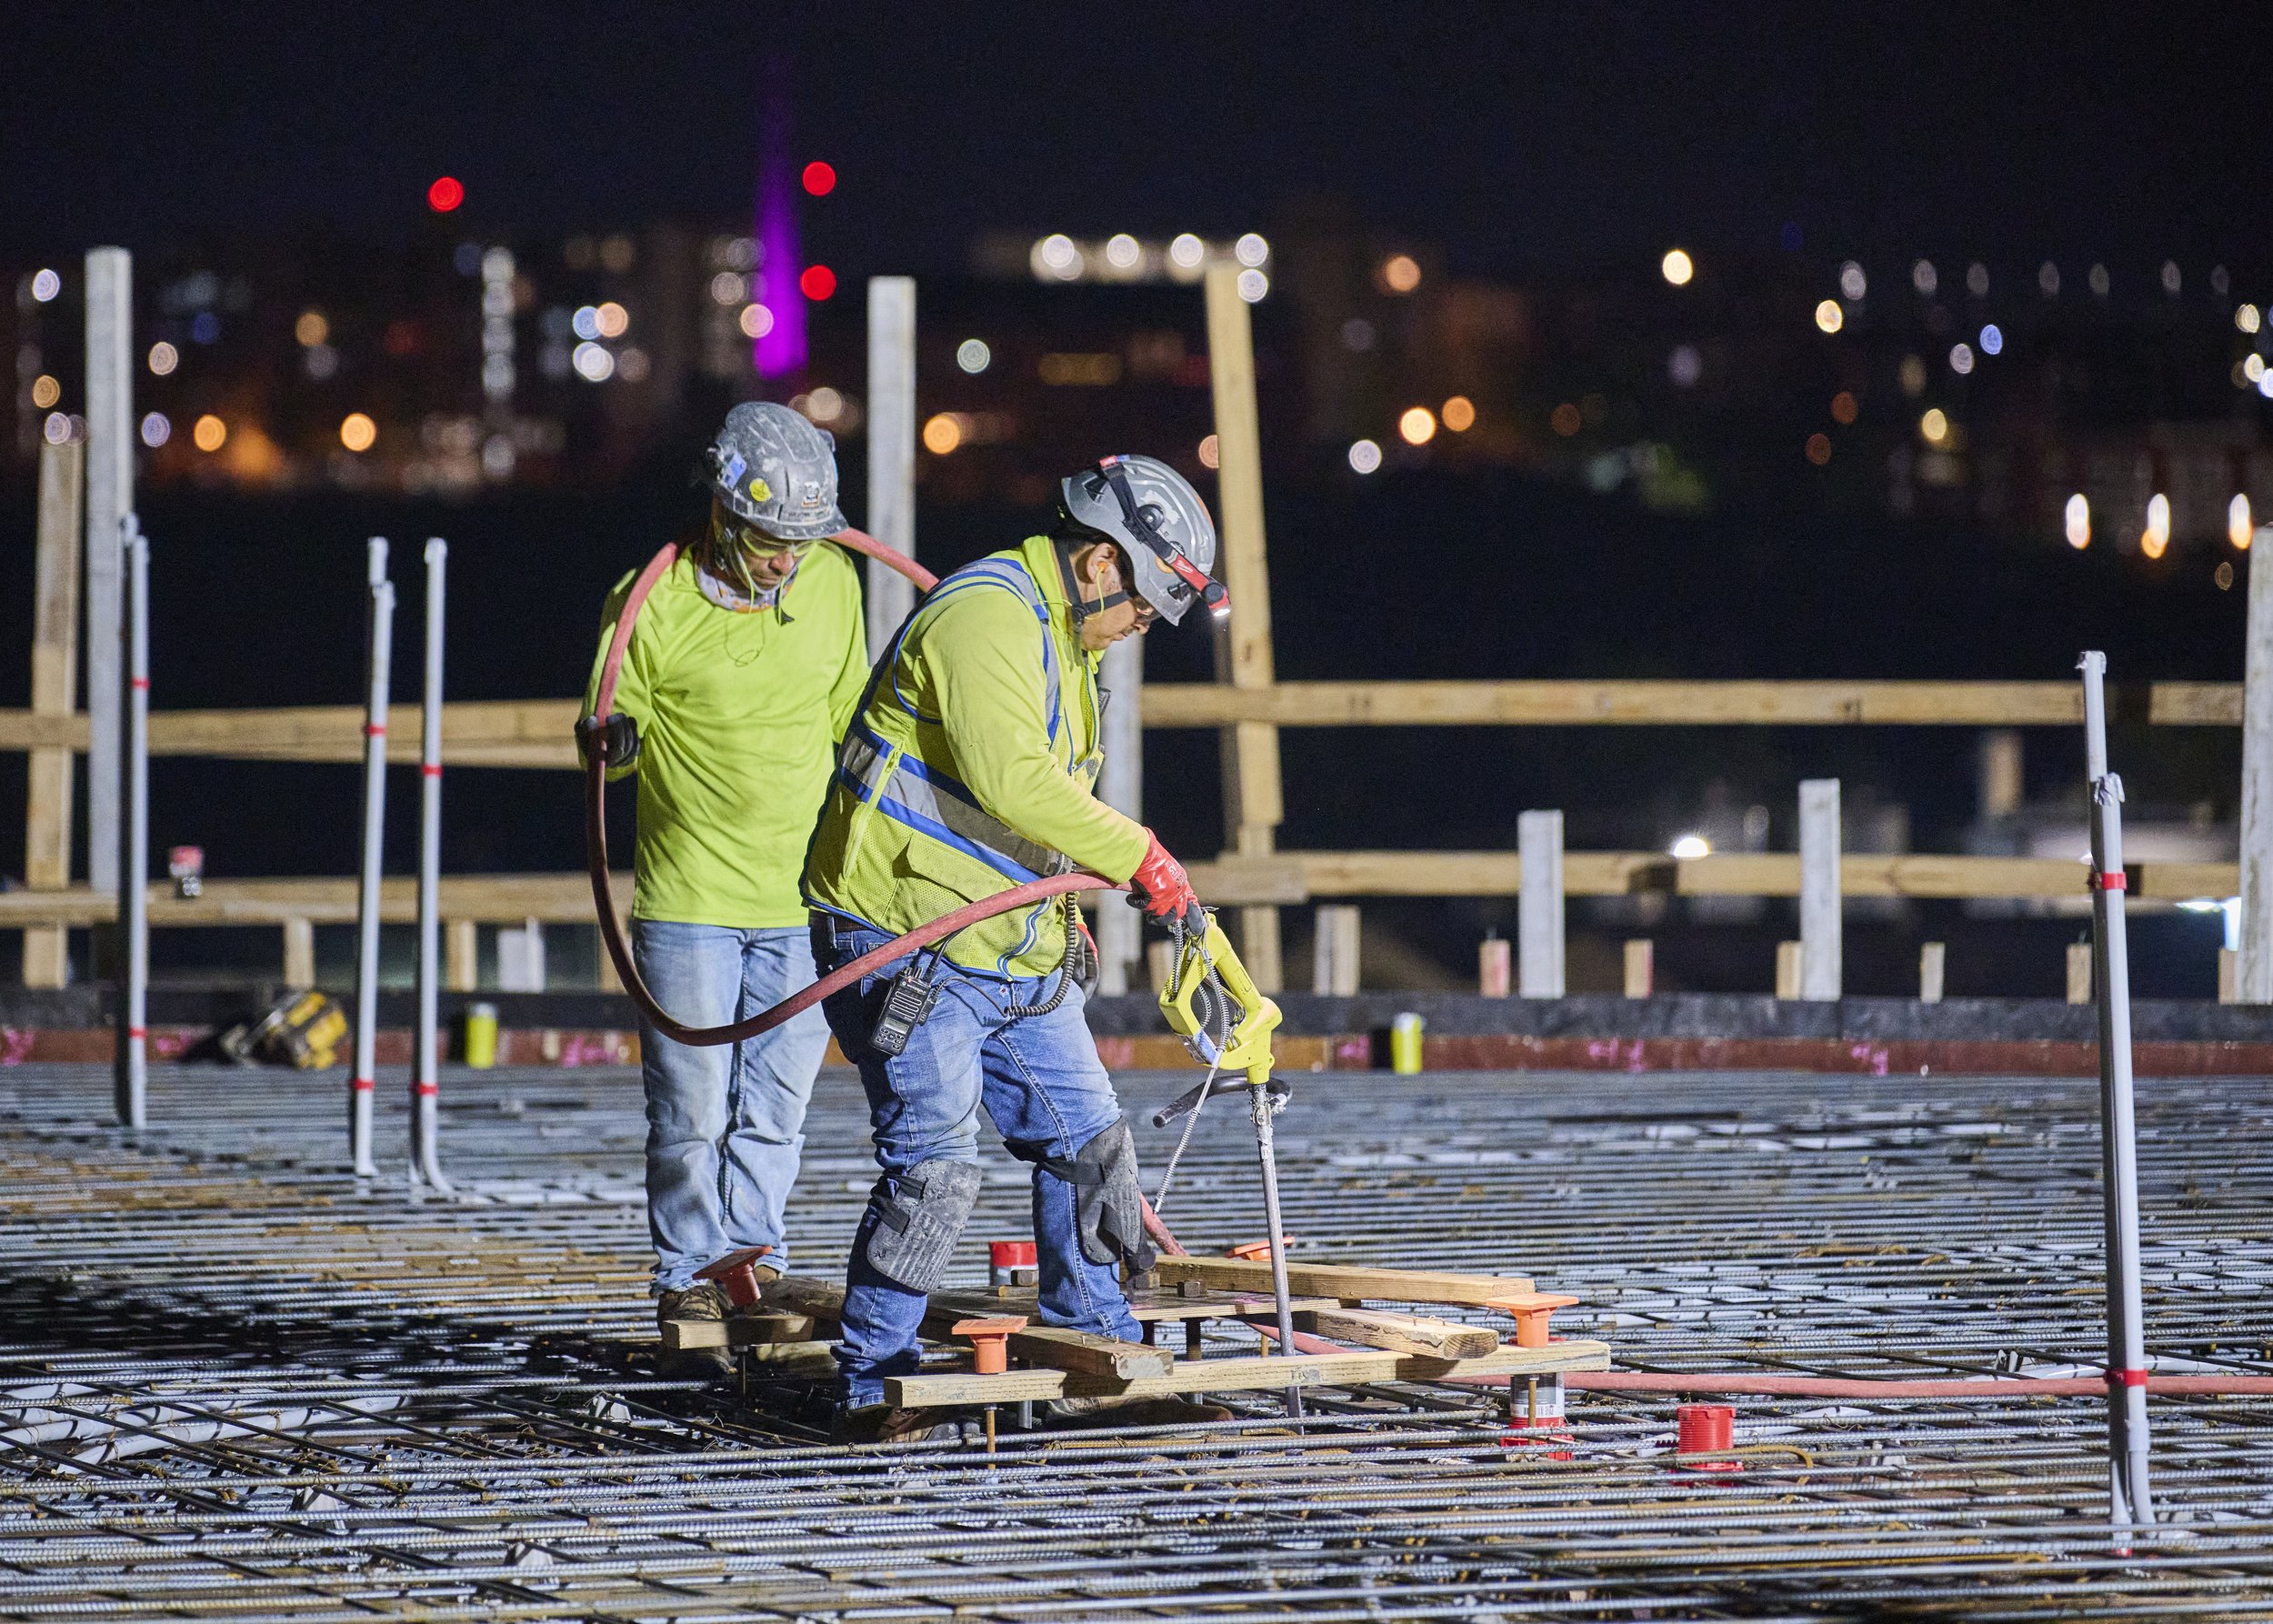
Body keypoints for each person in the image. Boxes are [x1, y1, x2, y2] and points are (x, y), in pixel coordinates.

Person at [803, 453, 1228, 1439]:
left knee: (1091, 1146)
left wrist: (1060, 905)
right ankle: (873, 1379)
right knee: (936, 1166)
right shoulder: (986, 615)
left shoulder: (1064, 643)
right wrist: (1143, 855)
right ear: (1096, 565)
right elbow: (1013, 781)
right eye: (1141, 609)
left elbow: (1030, 816)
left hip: (1008, 944)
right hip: (905, 935)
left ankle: (1096, 1342)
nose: (1141, 631)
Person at [579, 401, 869, 1374]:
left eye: (799, 540)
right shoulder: (649, 600)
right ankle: (688, 1276)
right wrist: (613, 742)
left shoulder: (835, 584)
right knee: (691, 1107)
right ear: (720, 514)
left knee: (774, 1110)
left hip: (800, 903)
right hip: (690, 904)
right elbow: (610, 729)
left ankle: (755, 1265)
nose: (786, 558)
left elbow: (852, 726)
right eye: (768, 539)